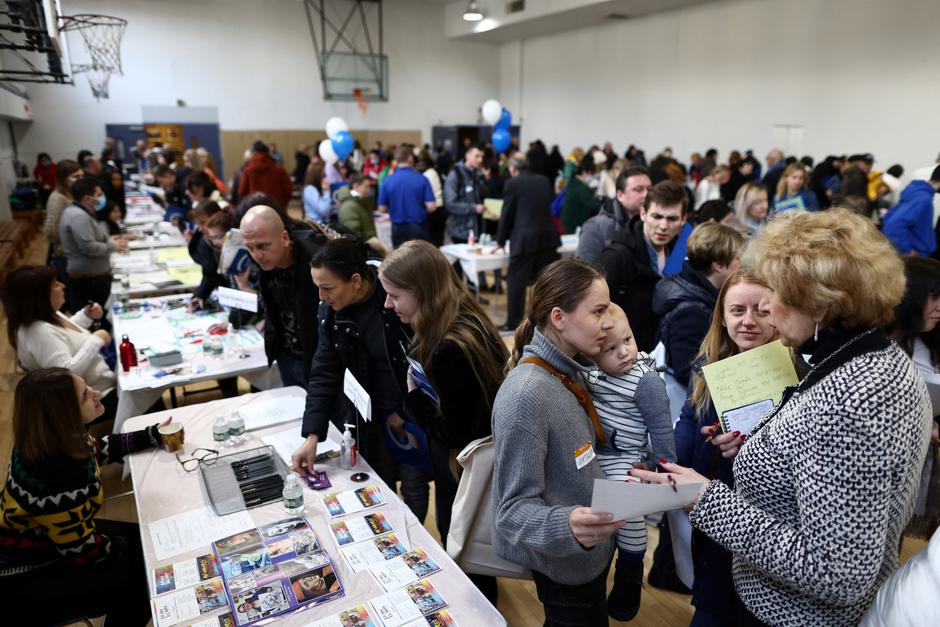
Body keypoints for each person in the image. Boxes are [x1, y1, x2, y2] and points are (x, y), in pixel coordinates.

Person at [632, 208, 932, 626]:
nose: (768, 308)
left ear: (820, 305)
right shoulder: (872, 359)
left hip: (791, 616)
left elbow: (838, 572)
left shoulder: (852, 400)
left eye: (776, 293)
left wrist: (706, 498)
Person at [493, 258, 623, 625]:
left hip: (590, 554)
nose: (609, 323)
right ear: (558, 318)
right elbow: (511, 512)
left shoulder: (572, 369)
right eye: (598, 311)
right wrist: (568, 525)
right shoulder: (526, 396)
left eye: (608, 310)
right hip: (566, 568)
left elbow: (578, 453)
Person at [379, 240, 507, 595]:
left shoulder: (449, 347)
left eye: (394, 295)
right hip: (471, 459)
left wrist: (414, 397)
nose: (388, 305)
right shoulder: (462, 312)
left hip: (461, 464)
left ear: (421, 291)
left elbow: (453, 431)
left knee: (464, 546)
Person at [0, 367, 168, 625]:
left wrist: (150, 436)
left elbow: (97, 450)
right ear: (63, 415)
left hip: (48, 541)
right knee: (145, 577)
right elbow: (82, 552)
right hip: (26, 573)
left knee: (147, 546)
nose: (97, 393)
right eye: (85, 395)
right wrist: (119, 547)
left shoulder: (48, 439)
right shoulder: (58, 473)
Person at [674, 268, 782, 627]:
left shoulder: (794, 372)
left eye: (761, 310)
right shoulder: (707, 364)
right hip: (711, 519)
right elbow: (688, 427)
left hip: (764, 531)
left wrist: (753, 448)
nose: (748, 321)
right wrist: (683, 459)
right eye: (737, 310)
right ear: (722, 315)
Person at [292, 238, 430, 522]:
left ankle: (415, 536)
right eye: (317, 287)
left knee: (414, 482)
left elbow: (424, 362)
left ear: (356, 280)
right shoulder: (330, 313)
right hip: (366, 416)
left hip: (410, 411)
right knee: (378, 482)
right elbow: (324, 372)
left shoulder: (395, 298)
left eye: (327, 288)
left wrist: (405, 411)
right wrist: (312, 435)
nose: (321, 296)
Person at [587, 303, 676, 621]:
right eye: (611, 348)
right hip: (595, 454)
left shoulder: (645, 380)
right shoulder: (594, 372)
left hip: (626, 458)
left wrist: (666, 470)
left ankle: (630, 570)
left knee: (627, 515)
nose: (624, 352)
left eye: (628, 340)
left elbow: (662, 428)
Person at [3, 265, 115, 420]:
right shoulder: (39, 332)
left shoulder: (45, 315)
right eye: (55, 284)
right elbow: (66, 374)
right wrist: (96, 341)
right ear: (40, 296)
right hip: (96, 399)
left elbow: (65, 336)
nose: (62, 286)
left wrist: (85, 316)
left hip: (102, 385)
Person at [886, 256, 940, 541]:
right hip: (896, 461)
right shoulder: (882, 347)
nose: (939, 307)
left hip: (926, 456)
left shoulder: (928, 340)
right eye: (932, 297)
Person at [241, 205, 325, 387]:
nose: (257, 255)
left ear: (285, 238)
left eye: (263, 246)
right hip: (286, 355)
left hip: (318, 360)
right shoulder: (266, 264)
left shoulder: (316, 262)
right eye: (250, 248)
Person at [652, 222, 744, 387]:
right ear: (718, 265)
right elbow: (688, 372)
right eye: (738, 258)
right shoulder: (692, 310)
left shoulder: (689, 286)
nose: (742, 264)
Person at [601, 180, 688, 352]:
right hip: (624, 356)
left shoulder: (679, 250)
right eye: (657, 216)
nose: (663, 226)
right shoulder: (617, 256)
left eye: (672, 219)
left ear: (683, 220)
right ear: (643, 213)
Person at [496, 152, 562, 330]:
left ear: (513, 168)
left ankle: (513, 324)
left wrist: (500, 241)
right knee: (547, 283)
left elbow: (507, 214)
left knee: (516, 283)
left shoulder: (512, 183)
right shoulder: (543, 181)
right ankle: (545, 322)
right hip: (548, 237)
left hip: (525, 239)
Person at [60, 176, 127, 310]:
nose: (102, 198)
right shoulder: (79, 216)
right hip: (89, 280)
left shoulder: (80, 212)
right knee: (98, 319)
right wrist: (113, 246)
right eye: (99, 195)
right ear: (87, 199)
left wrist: (109, 241)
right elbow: (89, 247)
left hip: (92, 276)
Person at [577, 166, 652, 263]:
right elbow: (584, 271)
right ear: (620, 195)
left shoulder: (653, 222)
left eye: (650, 189)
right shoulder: (596, 227)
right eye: (638, 189)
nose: (646, 194)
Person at [378, 146, 437, 247]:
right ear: (410, 158)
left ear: (396, 160)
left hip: (397, 227)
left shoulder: (387, 180)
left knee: (400, 259)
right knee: (420, 259)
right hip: (419, 227)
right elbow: (432, 207)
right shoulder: (422, 179)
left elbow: (382, 208)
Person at [43, 159, 83, 299]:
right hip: (65, 257)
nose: (80, 180)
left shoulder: (71, 195)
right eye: (76, 177)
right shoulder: (57, 199)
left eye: (81, 176)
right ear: (63, 178)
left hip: (77, 255)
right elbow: (50, 232)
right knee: (73, 299)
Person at [882, 165, 940, 257]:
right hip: (915, 257)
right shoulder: (923, 199)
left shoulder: (916, 192)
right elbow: (893, 225)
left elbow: (889, 217)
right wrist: (907, 250)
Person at [443, 144, 486, 245]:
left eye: (482, 157)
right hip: (461, 231)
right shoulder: (455, 175)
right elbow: (450, 204)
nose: (480, 160)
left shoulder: (478, 174)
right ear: (467, 156)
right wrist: (474, 208)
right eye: (477, 156)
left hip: (478, 230)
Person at [238, 141, 293, 211]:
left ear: (253, 153)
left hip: (254, 210)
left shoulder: (248, 170)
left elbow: (242, 191)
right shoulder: (279, 169)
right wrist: (282, 205)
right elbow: (288, 189)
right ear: (268, 153)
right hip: (277, 209)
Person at [560, 158, 599, 234]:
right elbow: (591, 204)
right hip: (573, 224)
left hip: (569, 221)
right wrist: (606, 205)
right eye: (592, 174)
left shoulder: (574, 183)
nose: (593, 177)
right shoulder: (580, 187)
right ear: (584, 173)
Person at [336, 174, 376, 240]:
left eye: (369, 187)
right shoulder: (349, 207)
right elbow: (353, 235)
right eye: (366, 187)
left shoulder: (360, 202)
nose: (369, 190)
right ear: (355, 186)